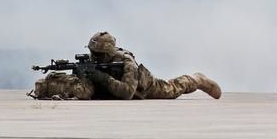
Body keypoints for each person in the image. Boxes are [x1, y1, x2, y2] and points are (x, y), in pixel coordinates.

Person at [82, 31, 223, 100]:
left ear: (108, 53)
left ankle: (197, 80)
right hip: (116, 90)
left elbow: (127, 93)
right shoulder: (91, 60)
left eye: (98, 54)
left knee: (172, 89)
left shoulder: (127, 61)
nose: (93, 56)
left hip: (145, 87)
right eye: (92, 52)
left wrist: (102, 78)